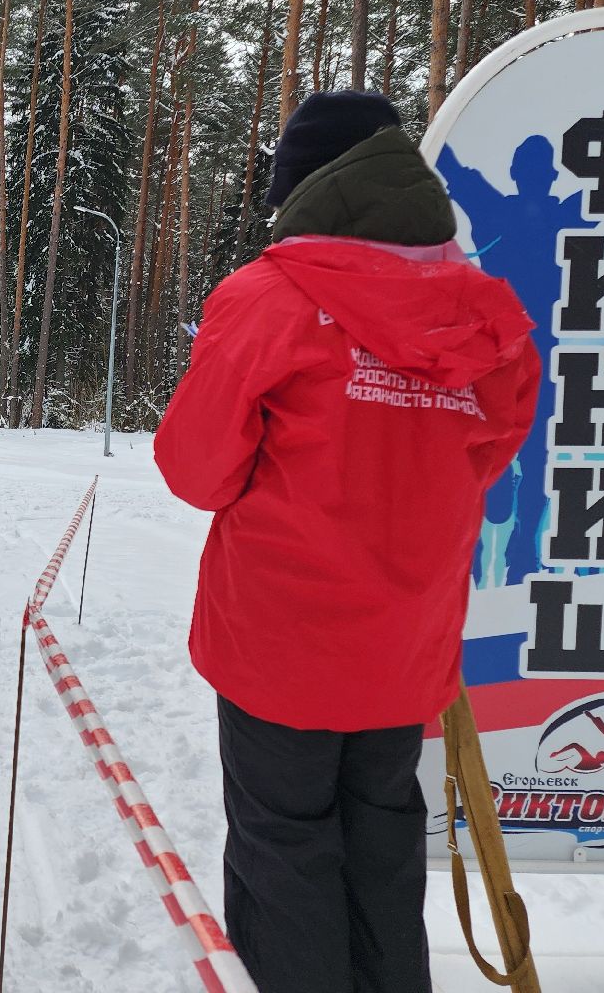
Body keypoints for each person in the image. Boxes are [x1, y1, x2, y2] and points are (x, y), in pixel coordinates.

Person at [153, 91, 540, 993]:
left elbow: (194, 468)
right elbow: (484, 456)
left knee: (284, 854)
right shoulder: (484, 314)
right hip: (404, 654)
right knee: (383, 849)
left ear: (306, 192)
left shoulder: (268, 299)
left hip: (277, 647)